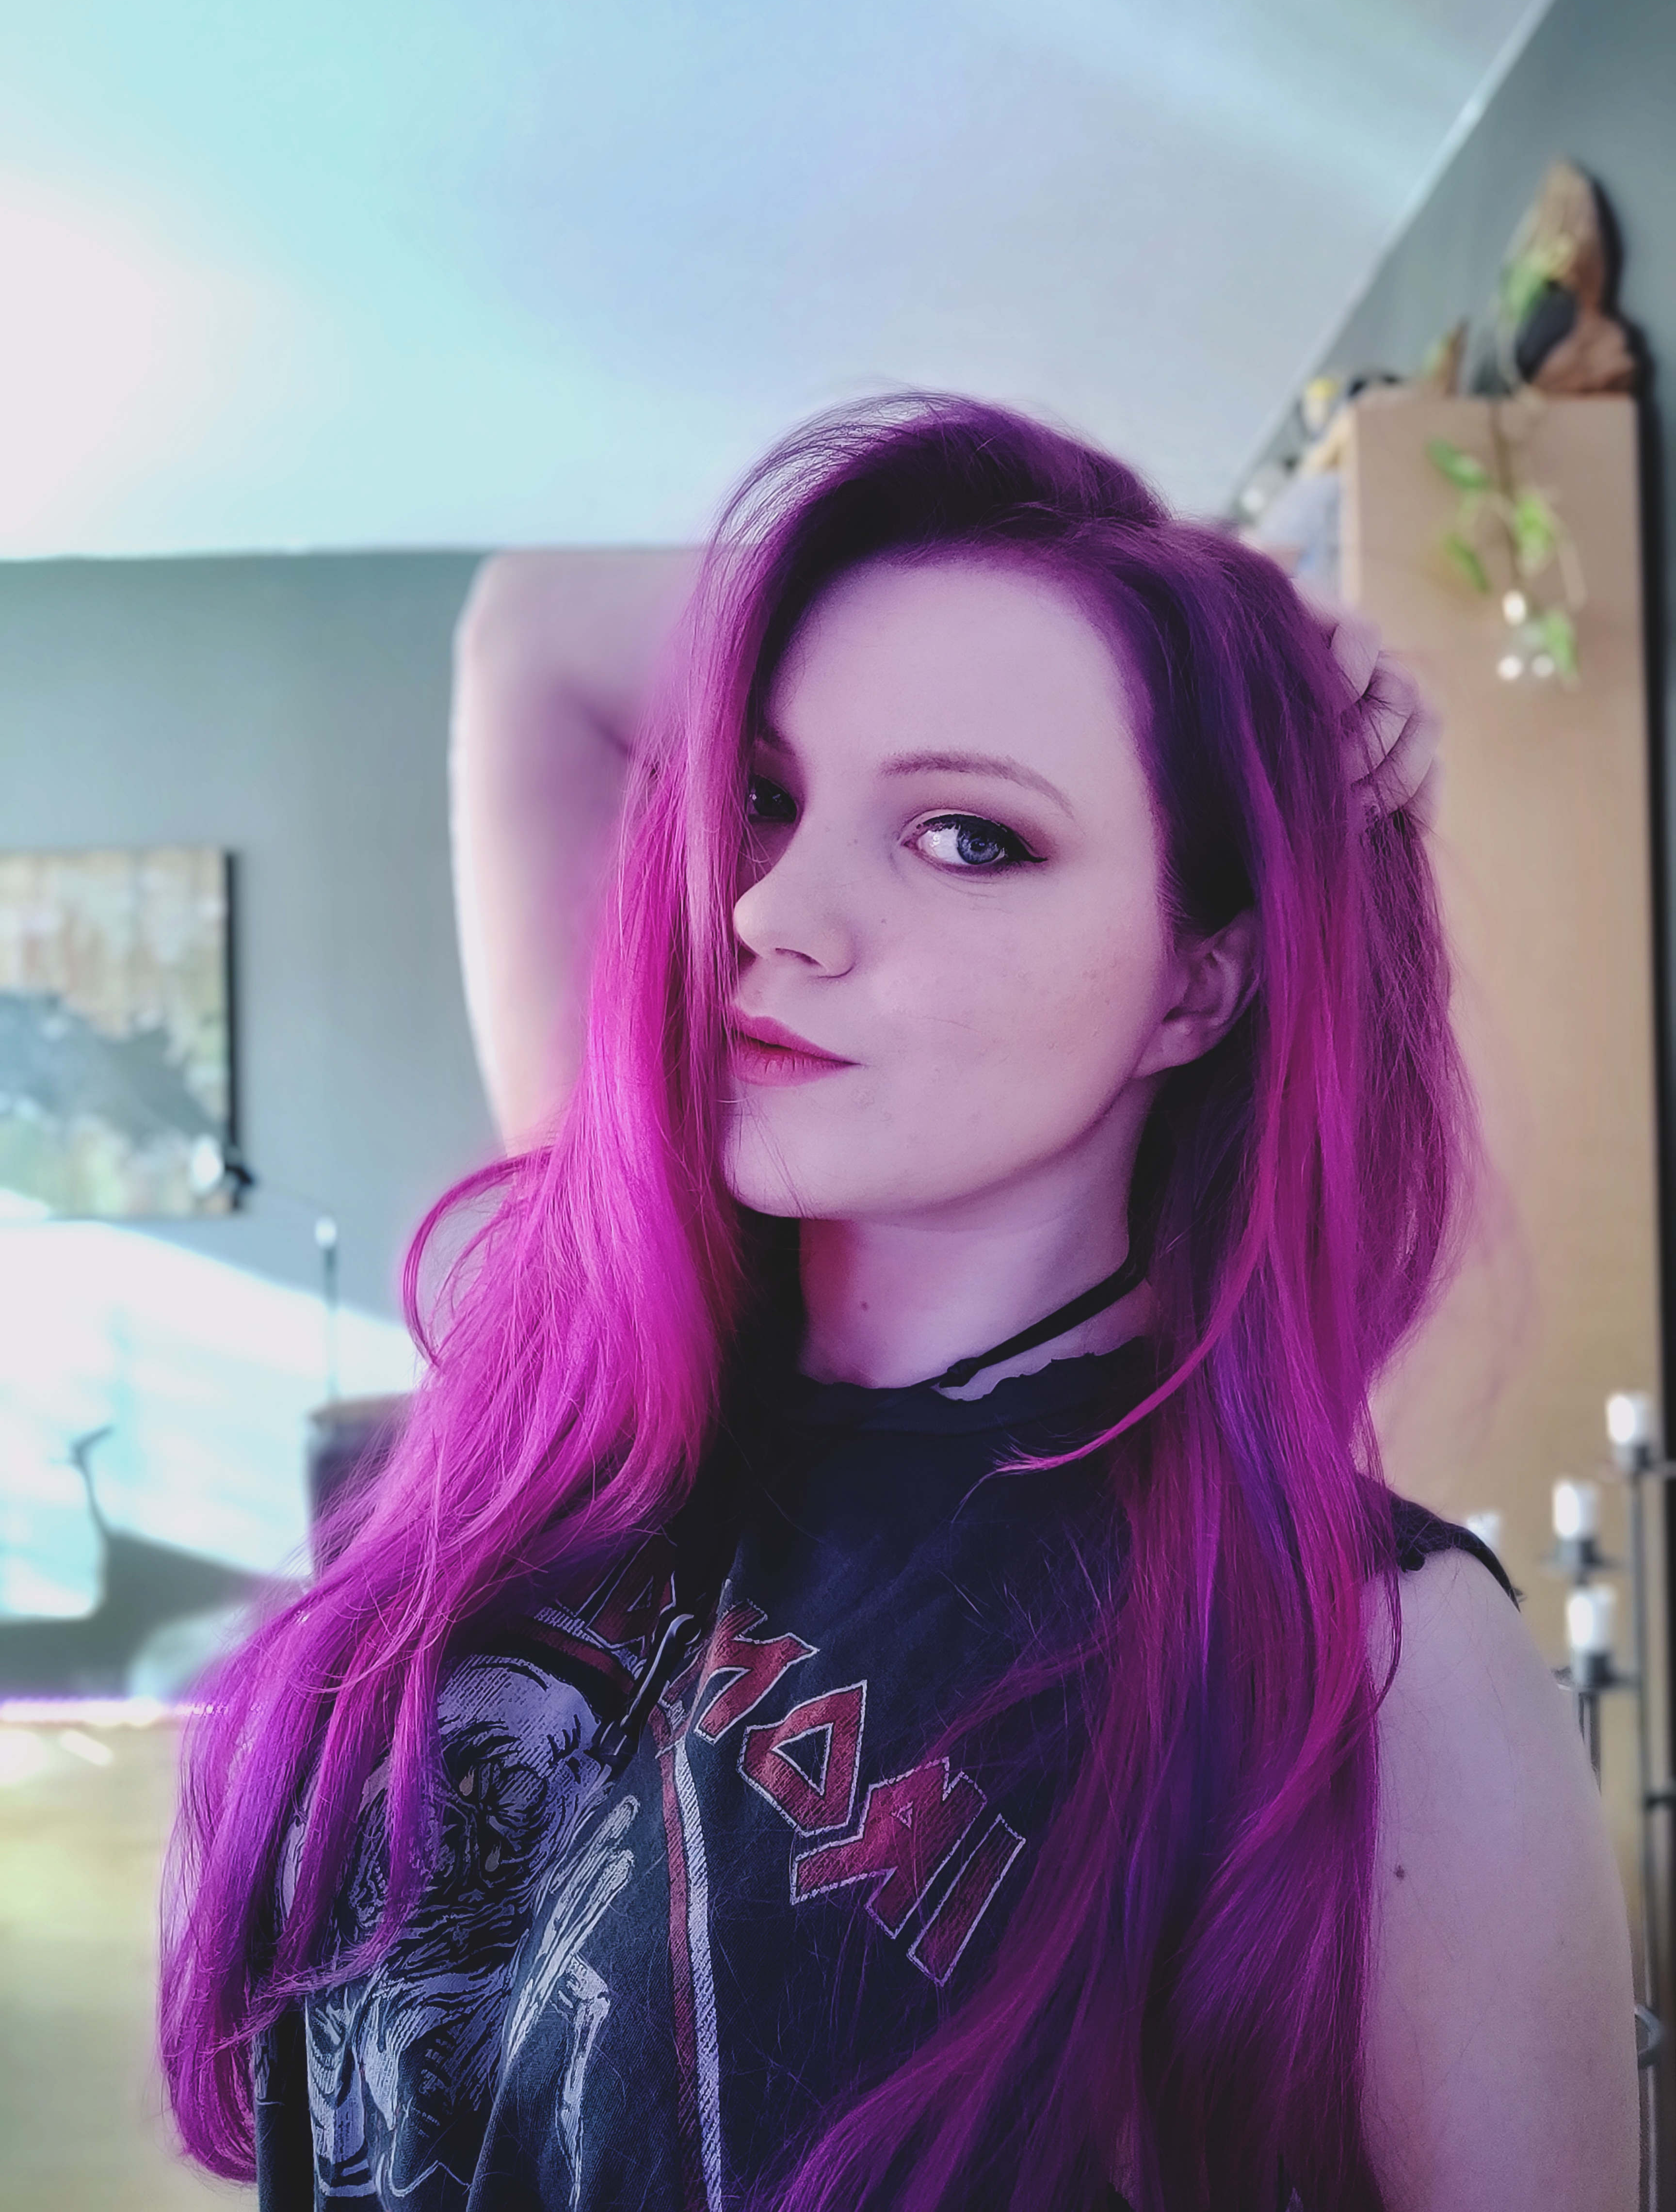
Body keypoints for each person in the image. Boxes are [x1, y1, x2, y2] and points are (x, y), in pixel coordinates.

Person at [162, 398, 1636, 2212]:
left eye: (969, 837)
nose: (775, 911)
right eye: (764, 800)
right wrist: (1201, 612)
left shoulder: (1375, 1664)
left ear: (1199, 982)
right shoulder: (604, 1360)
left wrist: (1211, 663)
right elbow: (537, 629)